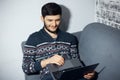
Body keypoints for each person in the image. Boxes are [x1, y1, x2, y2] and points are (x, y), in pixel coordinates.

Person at [22, 2, 97, 80]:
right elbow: (26, 68)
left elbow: (76, 62)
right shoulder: (33, 38)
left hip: (72, 75)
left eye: (57, 20)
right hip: (50, 77)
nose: (54, 24)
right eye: (50, 20)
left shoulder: (70, 38)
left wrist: (86, 72)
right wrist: (48, 61)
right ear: (42, 18)